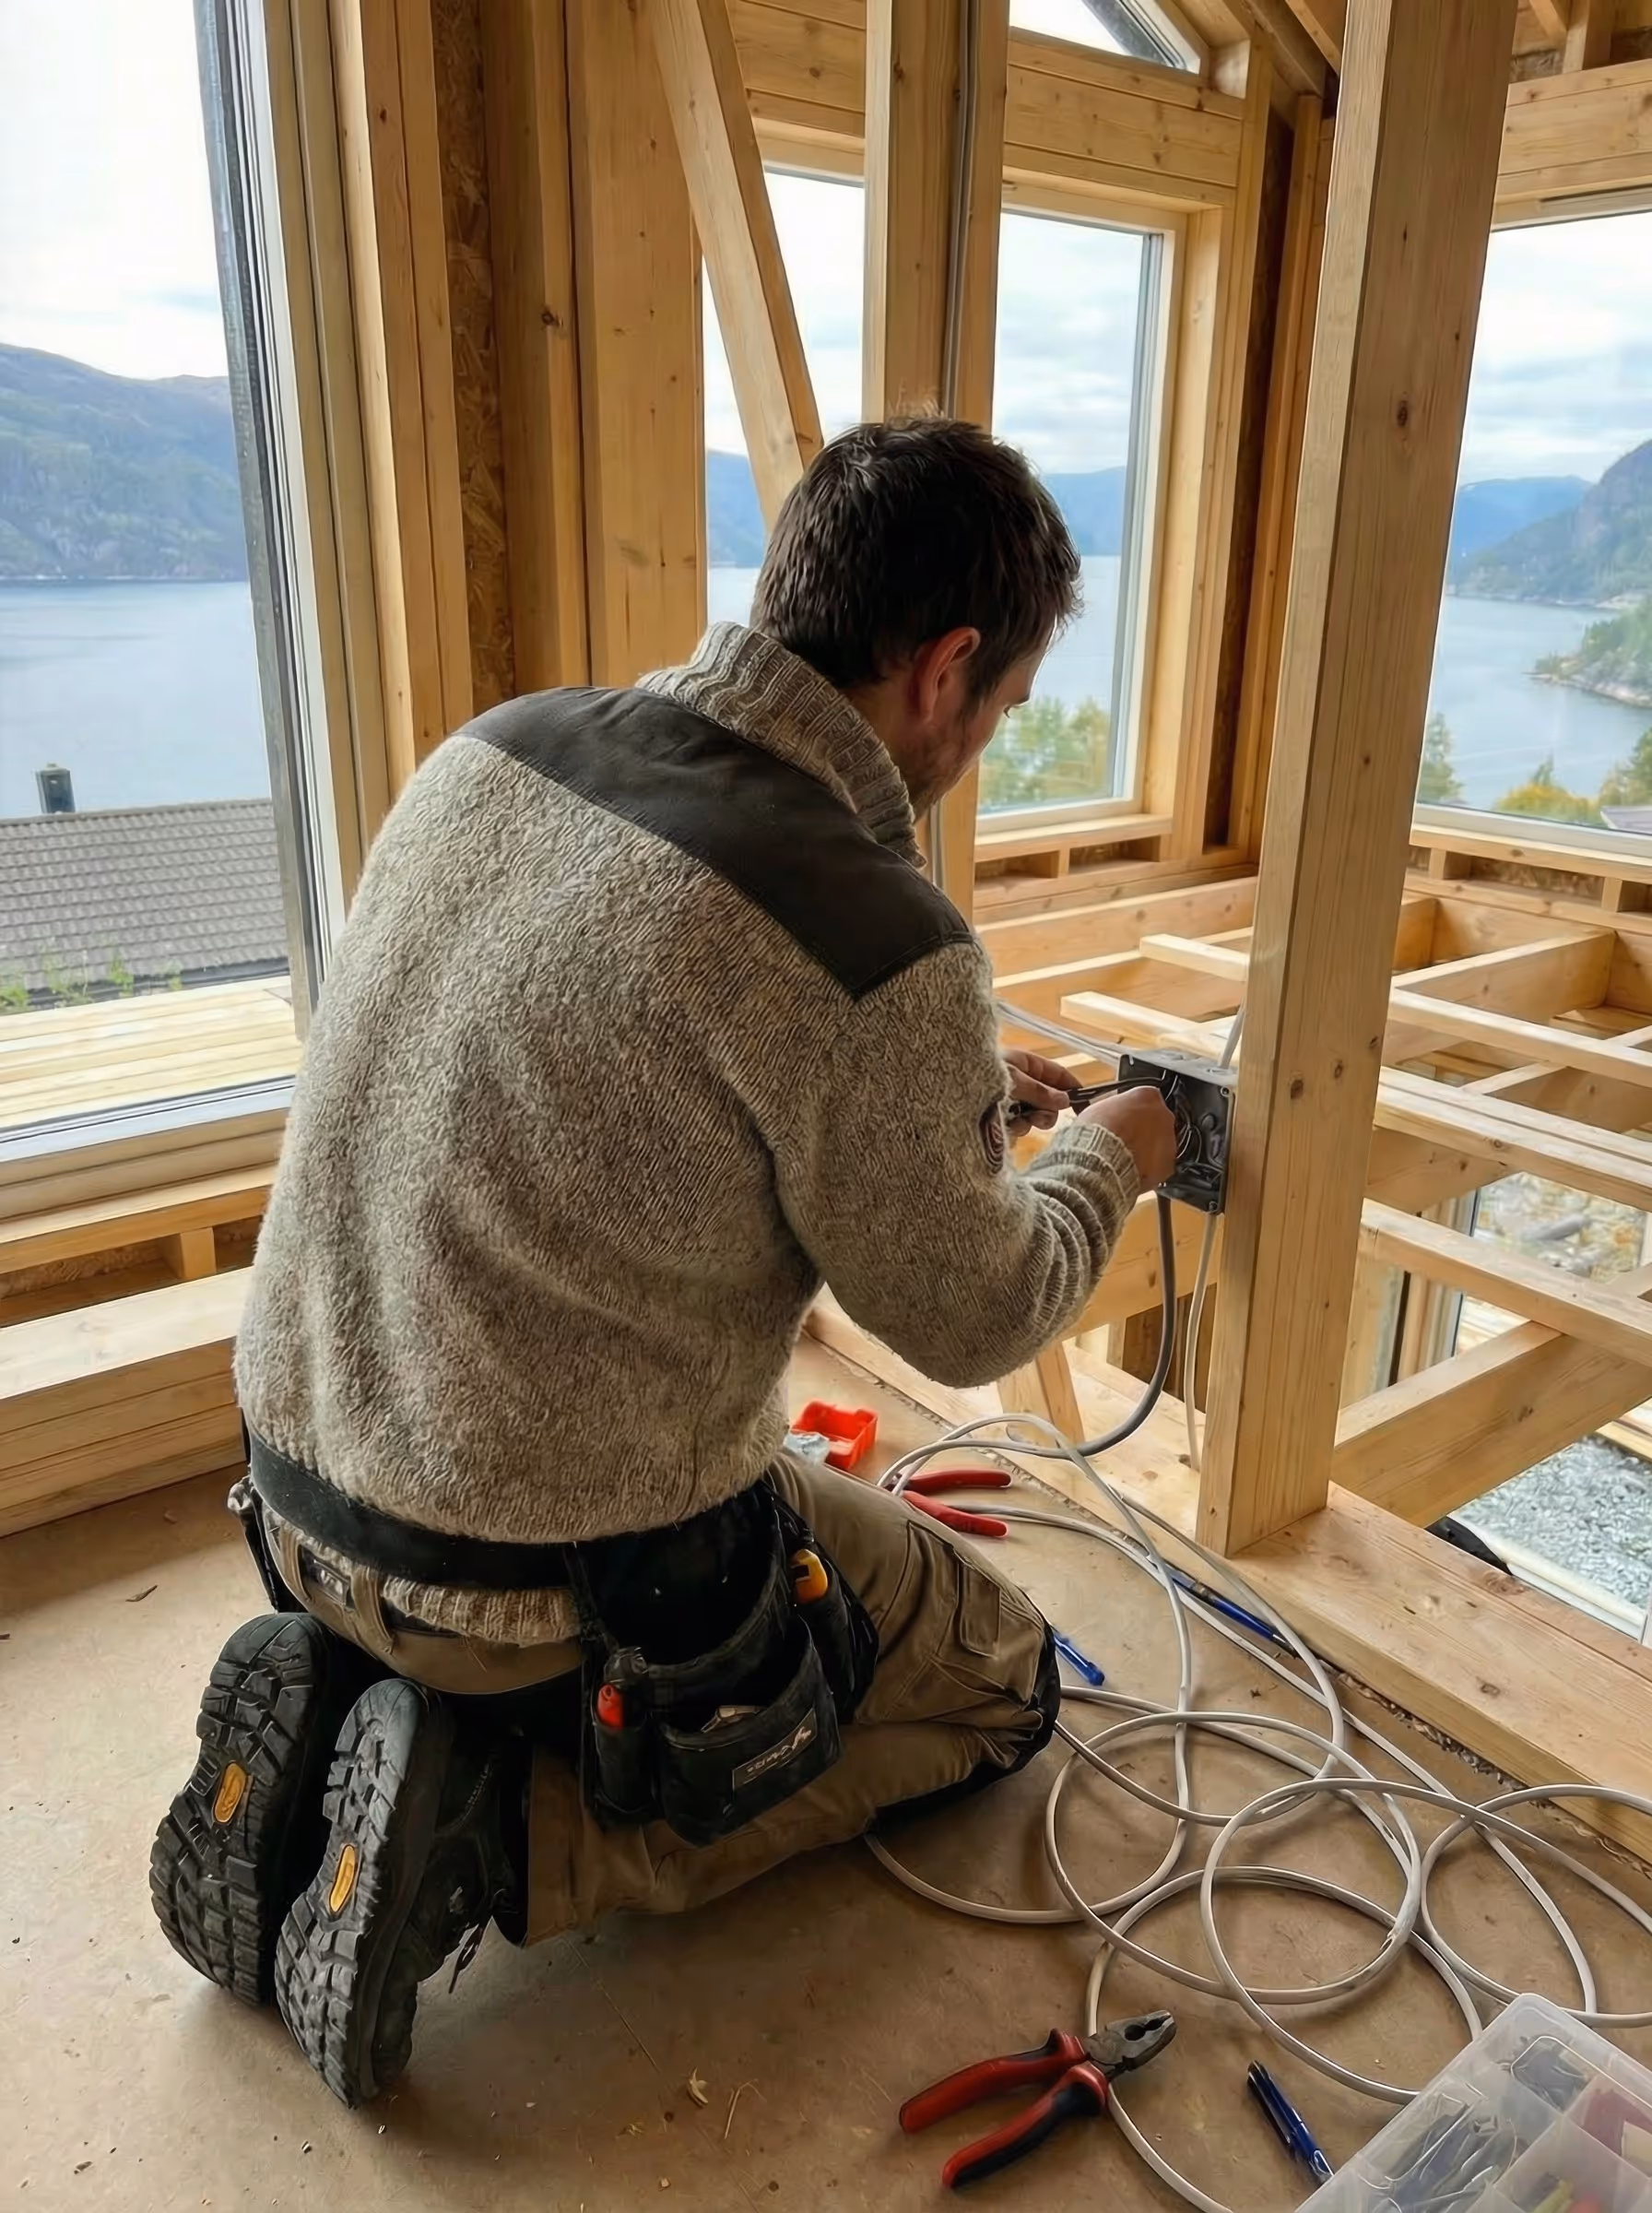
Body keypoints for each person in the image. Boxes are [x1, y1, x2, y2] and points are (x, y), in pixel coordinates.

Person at [150, 415, 1177, 2106]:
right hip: (521, 1576)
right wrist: (1114, 1152)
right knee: (1001, 1682)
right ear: (945, 669)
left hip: (295, 1483)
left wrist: (939, 1097)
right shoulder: (869, 937)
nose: (983, 741)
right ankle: (510, 1832)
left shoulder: (502, 747)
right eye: (997, 711)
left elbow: (640, 1041)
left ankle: (347, 1702)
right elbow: (977, 1311)